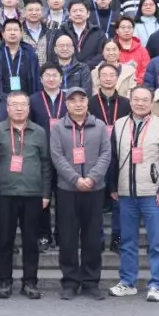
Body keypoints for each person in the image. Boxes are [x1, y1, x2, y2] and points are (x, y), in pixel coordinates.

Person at [107, 86, 159, 302]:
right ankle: (127, 282)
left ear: (151, 102)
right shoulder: (119, 124)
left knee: (156, 243)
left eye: (145, 100)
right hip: (126, 193)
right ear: (130, 101)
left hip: (152, 194)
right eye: (136, 99)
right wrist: (112, 186)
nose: (140, 103)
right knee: (127, 241)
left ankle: (156, 285)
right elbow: (113, 158)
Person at [50, 87, 112, 300]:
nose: (78, 104)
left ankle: (91, 282)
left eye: (81, 100)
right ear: (66, 104)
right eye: (73, 100)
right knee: (67, 238)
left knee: (92, 238)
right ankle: (70, 282)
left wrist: (92, 178)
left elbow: (106, 154)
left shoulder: (100, 126)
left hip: (95, 189)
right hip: (67, 190)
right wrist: (75, 179)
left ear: (87, 103)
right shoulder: (58, 128)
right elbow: (57, 157)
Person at [0, 92, 52, 299]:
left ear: (28, 108)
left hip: (33, 194)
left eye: (23, 105)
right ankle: (5, 282)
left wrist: (46, 193)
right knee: (4, 241)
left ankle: (30, 282)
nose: (19, 109)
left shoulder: (39, 132)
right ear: (7, 108)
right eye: (14, 105)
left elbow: (46, 164)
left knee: (30, 242)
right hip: (4, 194)